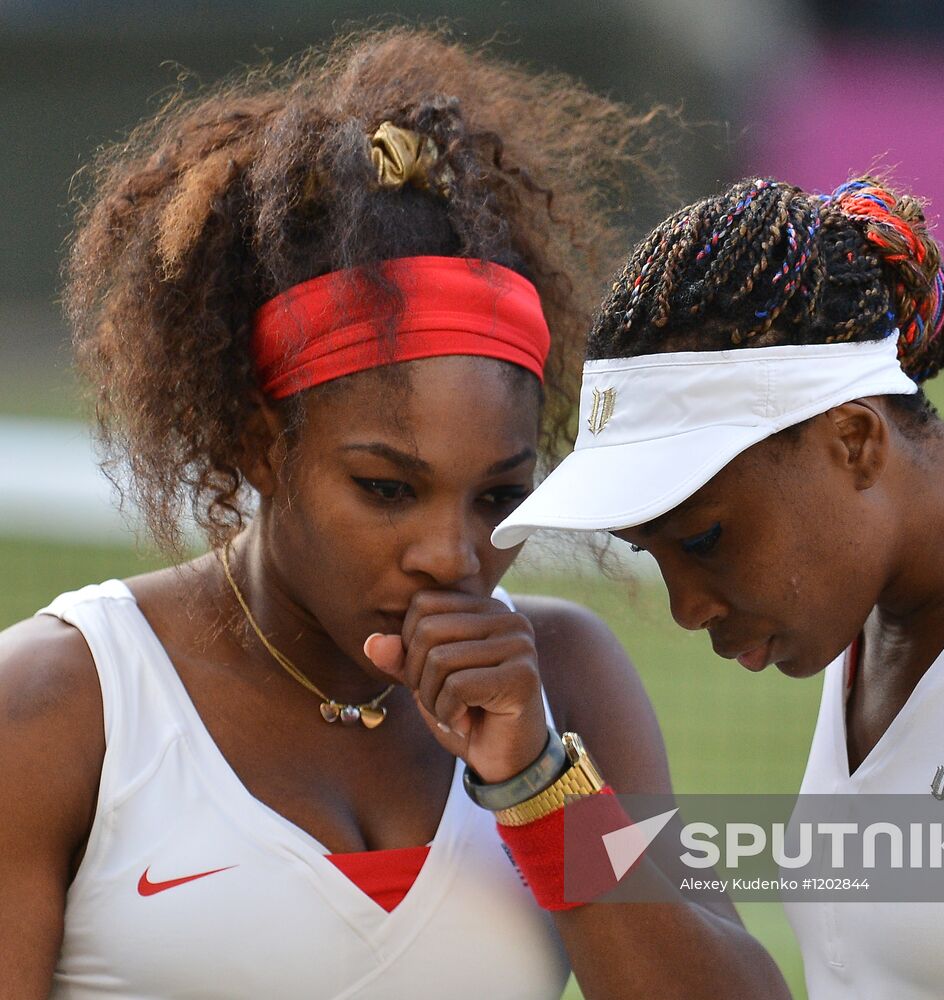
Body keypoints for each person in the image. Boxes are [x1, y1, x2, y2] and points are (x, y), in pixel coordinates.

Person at [0, 31, 789, 999]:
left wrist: (538, 785)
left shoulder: (565, 681)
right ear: (260, 441)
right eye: (385, 487)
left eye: (499, 496)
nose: (450, 555)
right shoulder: (59, 702)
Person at [494, 176, 944, 998]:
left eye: (705, 539)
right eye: (651, 552)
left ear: (854, 441)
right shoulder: (860, 618)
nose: (686, 607)